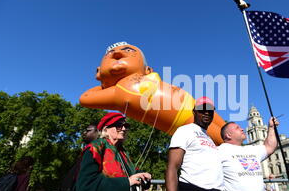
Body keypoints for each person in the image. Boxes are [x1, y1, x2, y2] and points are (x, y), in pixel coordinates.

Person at [79, 42, 226, 144]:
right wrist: (104, 81)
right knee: (225, 141)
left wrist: (104, 79)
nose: (117, 53)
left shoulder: (142, 81)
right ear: (99, 71)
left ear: (148, 69)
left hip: (193, 103)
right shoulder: (117, 93)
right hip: (185, 119)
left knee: (227, 128)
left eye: (128, 51)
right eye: (111, 54)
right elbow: (85, 98)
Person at [164, 97, 233, 191]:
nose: (206, 113)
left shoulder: (210, 138)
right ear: (195, 111)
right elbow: (172, 168)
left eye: (210, 110)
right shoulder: (185, 130)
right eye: (202, 110)